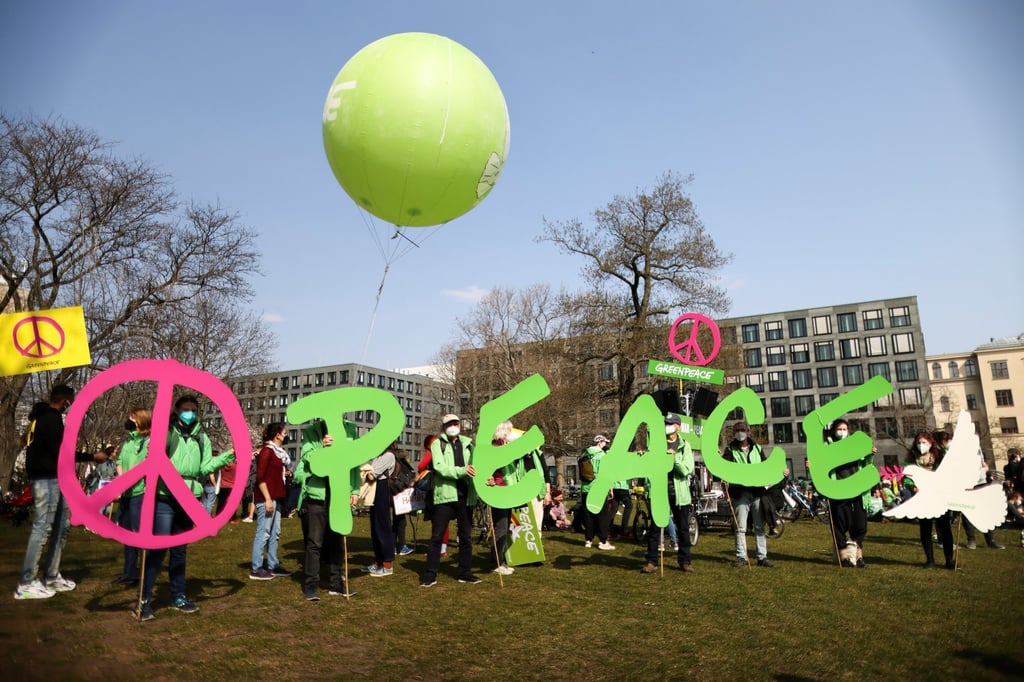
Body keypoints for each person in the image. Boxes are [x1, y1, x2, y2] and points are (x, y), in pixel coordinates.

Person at [136, 395, 234, 620]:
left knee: (179, 551)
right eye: (185, 409)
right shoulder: (166, 432)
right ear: (177, 410)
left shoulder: (201, 437)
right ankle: (144, 600)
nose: (189, 413)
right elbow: (153, 459)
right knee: (158, 548)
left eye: (193, 410)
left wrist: (228, 455)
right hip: (165, 496)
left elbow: (205, 466)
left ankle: (178, 596)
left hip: (189, 498)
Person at [16, 384, 107, 600]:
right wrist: (92, 457)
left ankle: (51, 574)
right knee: (43, 528)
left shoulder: (49, 418)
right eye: (70, 400)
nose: (71, 404)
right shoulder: (49, 419)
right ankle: (26, 582)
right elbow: (61, 452)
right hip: (46, 478)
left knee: (62, 525)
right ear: (64, 399)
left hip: (57, 478)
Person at [295, 418, 358, 601]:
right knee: (315, 543)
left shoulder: (349, 429)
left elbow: (353, 463)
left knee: (337, 541)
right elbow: (306, 457)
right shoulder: (312, 431)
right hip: (317, 496)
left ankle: (336, 584)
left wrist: (354, 489)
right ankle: (311, 586)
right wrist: (322, 448)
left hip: (338, 493)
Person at [419, 414, 479, 587]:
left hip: (465, 496)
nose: (453, 426)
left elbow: (478, 466)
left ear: (459, 425)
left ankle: (465, 572)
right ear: (444, 427)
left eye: (455, 423)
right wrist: (463, 471)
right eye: (449, 424)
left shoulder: (469, 444)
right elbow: (440, 467)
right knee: (437, 536)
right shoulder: (438, 444)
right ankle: (430, 574)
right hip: (445, 496)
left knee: (465, 537)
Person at [642, 413, 696, 574]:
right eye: (666, 423)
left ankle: (685, 561)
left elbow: (687, 470)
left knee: (683, 529)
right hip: (660, 492)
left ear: (678, 427)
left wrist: (674, 459)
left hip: (679, 495)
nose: (667, 426)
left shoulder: (685, 446)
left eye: (671, 423)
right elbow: (649, 467)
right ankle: (652, 561)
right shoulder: (656, 444)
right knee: (655, 528)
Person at [934, 431, 1004, 550]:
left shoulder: (978, 448)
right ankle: (971, 540)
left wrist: (985, 469)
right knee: (968, 512)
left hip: (981, 482)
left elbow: (982, 463)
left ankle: (990, 539)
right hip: (968, 484)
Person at [723, 420, 775, 568]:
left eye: (742, 430)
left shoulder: (757, 448)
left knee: (759, 526)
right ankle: (741, 556)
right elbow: (725, 468)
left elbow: (765, 466)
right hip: (740, 492)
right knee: (740, 526)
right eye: (737, 430)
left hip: (757, 491)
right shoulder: (730, 450)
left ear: (748, 432)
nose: (740, 433)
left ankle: (762, 557)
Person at [826, 419, 872, 568]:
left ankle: (856, 550)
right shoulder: (828, 446)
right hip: (838, 488)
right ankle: (844, 555)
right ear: (834, 431)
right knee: (840, 522)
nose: (842, 432)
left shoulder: (854, 446)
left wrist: (870, 455)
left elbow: (865, 464)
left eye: (845, 429)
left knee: (860, 524)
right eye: (839, 429)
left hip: (856, 487)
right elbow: (821, 464)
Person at [904, 432, 954, 569]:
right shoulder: (912, 459)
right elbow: (906, 476)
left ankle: (949, 560)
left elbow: (950, 466)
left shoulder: (939, 456)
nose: (921, 445)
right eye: (919, 443)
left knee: (945, 528)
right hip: (922, 497)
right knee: (925, 528)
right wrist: (913, 487)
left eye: (924, 442)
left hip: (939, 496)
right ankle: (930, 560)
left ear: (931, 443)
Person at [113, 408, 152, 586]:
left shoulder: (149, 442)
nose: (129, 420)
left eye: (132, 418)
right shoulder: (128, 441)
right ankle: (129, 572)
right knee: (127, 534)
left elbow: (147, 466)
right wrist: (122, 481)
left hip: (139, 493)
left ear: (141, 421)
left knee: (139, 534)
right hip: (126, 494)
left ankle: (145, 572)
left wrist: (129, 481)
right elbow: (119, 461)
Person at [250, 422, 292, 580]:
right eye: (284, 432)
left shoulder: (278, 453)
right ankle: (256, 567)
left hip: (277, 497)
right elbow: (260, 477)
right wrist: (267, 499)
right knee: (264, 532)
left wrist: (285, 473)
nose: (286, 435)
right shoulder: (267, 451)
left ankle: (273, 565)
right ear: (278, 434)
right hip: (267, 497)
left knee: (275, 532)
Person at [485, 421, 520, 576]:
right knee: (500, 527)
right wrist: (490, 478)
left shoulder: (504, 447)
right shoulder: (495, 448)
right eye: (509, 430)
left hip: (507, 491)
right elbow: (487, 468)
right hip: (499, 491)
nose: (511, 433)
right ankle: (496, 562)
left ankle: (502, 560)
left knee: (504, 528)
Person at [364, 440, 399, 578]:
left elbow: (372, 474)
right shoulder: (379, 455)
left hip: (382, 488)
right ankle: (378, 561)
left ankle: (387, 563)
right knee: (375, 526)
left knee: (382, 525)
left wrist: (366, 471)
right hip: (376, 489)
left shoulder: (388, 456)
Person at [580, 435, 615, 551]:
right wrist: (610, 488)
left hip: (586, 488)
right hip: (599, 488)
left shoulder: (584, 454)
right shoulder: (602, 455)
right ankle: (603, 541)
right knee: (602, 516)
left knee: (588, 515)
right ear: (600, 442)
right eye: (605, 442)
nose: (606, 444)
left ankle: (588, 540)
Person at [418, 434, 449, 557]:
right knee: (444, 520)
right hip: (445, 489)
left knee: (436, 521)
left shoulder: (430, 452)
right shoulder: (445, 452)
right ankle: (443, 548)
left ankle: (436, 549)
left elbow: (420, 466)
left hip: (434, 489)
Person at [215, 457, 238, 523]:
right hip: (232, 486)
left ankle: (218, 516)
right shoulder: (235, 466)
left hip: (223, 485)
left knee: (221, 502)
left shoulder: (222, 466)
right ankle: (232, 518)